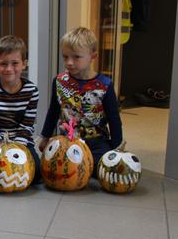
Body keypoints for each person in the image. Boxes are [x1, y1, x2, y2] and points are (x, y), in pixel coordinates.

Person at [39, 27, 123, 168]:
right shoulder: (59, 81)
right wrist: (45, 137)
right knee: (54, 167)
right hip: (67, 141)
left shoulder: (105, 86)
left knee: (103, 168)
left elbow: (114, 119)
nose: (69, 62)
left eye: (76, 57)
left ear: (93, 56)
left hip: (96, 141)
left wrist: (115, 147)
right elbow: (53, 111)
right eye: (65, 57)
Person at [0, 35, 41, 182]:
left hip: (21, 140)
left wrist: (15, 149)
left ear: (24, 64)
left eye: (15, 63)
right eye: (3, 64)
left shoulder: (32, 91)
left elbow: (27, 125)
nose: (9, 69)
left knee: (36, 173)